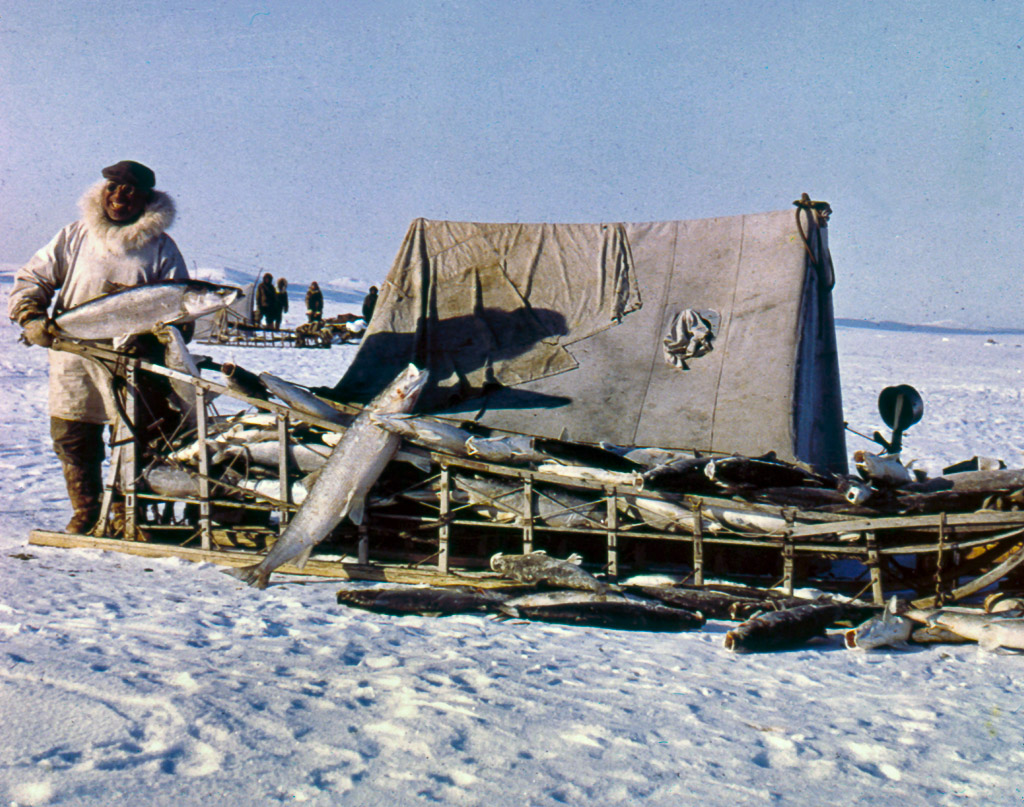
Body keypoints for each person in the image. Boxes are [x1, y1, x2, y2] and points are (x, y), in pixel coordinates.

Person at [7, 160, 189, 534]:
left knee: (135, 435)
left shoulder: (160, 247)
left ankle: (125, 511)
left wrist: (159, 338)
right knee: (72, 431)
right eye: (113, 188)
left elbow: (181, 307)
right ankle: (86, 511)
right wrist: (31, 315)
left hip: (133, 359)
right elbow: (33, 277)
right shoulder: (75, 235)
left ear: (146, 199)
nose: (119, 196)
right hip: (73, 353)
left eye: (130, 191)